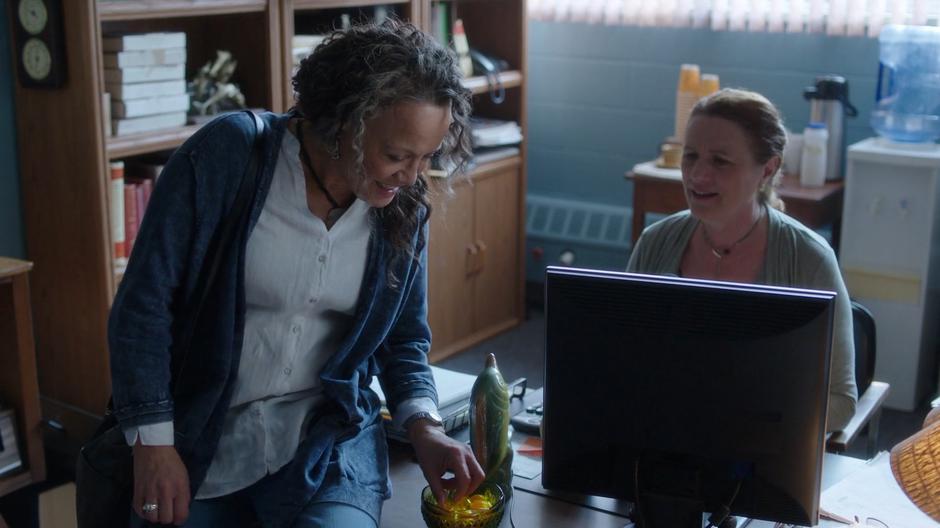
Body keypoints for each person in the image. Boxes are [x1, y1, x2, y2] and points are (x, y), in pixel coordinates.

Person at [108, 20, 484, 527]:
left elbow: (405, 338)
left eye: (426, 158)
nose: (413, 177)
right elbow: (143, 307)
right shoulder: (229, 157)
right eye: (396, 156)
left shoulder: (402, 205)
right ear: (339, 122)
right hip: (196, 437)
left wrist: (426, 427)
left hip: (323, 441)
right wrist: (152, 445)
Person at [627, 88, 857, 432]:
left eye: (720, 161)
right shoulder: (656, 243)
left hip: (758, 451)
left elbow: (840, 401)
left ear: (767, 170)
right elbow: (619, 357)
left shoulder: (808, 259)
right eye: (690, 156)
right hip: (661, 437)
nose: (697, 175)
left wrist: (738, 417)